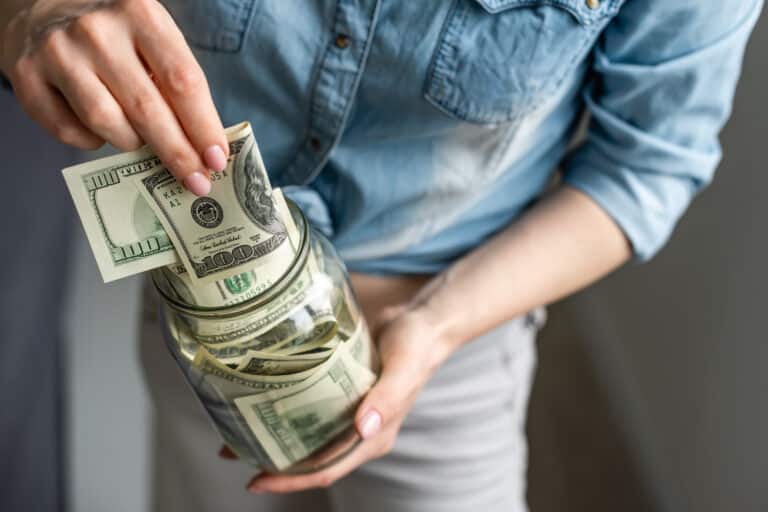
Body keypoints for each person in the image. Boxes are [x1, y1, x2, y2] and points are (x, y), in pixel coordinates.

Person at [1, 1, 761, 511]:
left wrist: (436, 326)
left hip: (450, 326)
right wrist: (33, 15)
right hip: (206, 320)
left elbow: (646, 167)